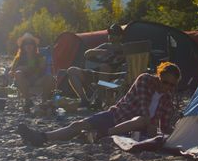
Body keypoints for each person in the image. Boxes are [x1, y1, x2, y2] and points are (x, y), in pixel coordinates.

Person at [17, 61, 181, 146]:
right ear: (158, 75)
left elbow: (165, 125)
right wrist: (152, 124)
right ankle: (42, 137)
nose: (166, 87)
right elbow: (145, 106)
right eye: (164, 81)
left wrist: (180, 133)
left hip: (137, 129)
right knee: (79, 124)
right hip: (117, 116)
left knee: (142, 121)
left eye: (171, 85)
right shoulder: (145, 79)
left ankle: (103, 133)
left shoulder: (167, 99)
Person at [65, 24, 125, 106]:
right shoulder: (105, 46)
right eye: (110, 33)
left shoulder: (125, 49)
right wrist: (100, 51)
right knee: (71, 70)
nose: (111, 35)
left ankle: (99, 99)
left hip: (111, 83)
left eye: (114, 33)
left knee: (105, 67)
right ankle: (84, 100)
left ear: (120, 36)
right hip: (96, 77)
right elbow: (86, 54)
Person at [10, 33, 54, 113]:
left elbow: (42, 70)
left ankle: (44, 102)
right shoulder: (19, 58)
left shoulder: (39, 57)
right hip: (24, 81)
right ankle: (28, 100)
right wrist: (19, 69)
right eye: (26, 44)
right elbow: (12, 72)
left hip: (37, 79)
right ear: (23, 46)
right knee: (18, 73)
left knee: (50, 77)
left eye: (31, 43)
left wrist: (40, 66)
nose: (28, 45)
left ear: (34, 46)